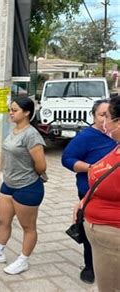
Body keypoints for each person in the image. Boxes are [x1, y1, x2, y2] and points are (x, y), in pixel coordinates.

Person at [0, 97, 47, 275]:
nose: (11, 112)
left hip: (28, 186)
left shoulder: (31, 135)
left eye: (14, 110)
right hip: (8, 184)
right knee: (3, 221)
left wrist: (30, 174)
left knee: (28, 227)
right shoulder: (13, 129)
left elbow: (41, 166)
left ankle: (23, 260)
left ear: (27, 113)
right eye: (10, 109)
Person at [61, 100, 116, 283]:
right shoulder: (85, 137)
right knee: (89, 233)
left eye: (109, 116)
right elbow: (67, 159)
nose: (105, 120)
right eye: (102, 115)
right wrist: (92, 168)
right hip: (89, 193)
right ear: (93, 115)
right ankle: (90, 266)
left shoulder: (115, 136)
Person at [79, 96, 120, 292]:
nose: (104, 122)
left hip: (113, 234)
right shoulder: (116, 145)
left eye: (108, 117)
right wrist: (86, 200)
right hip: (101, 235)